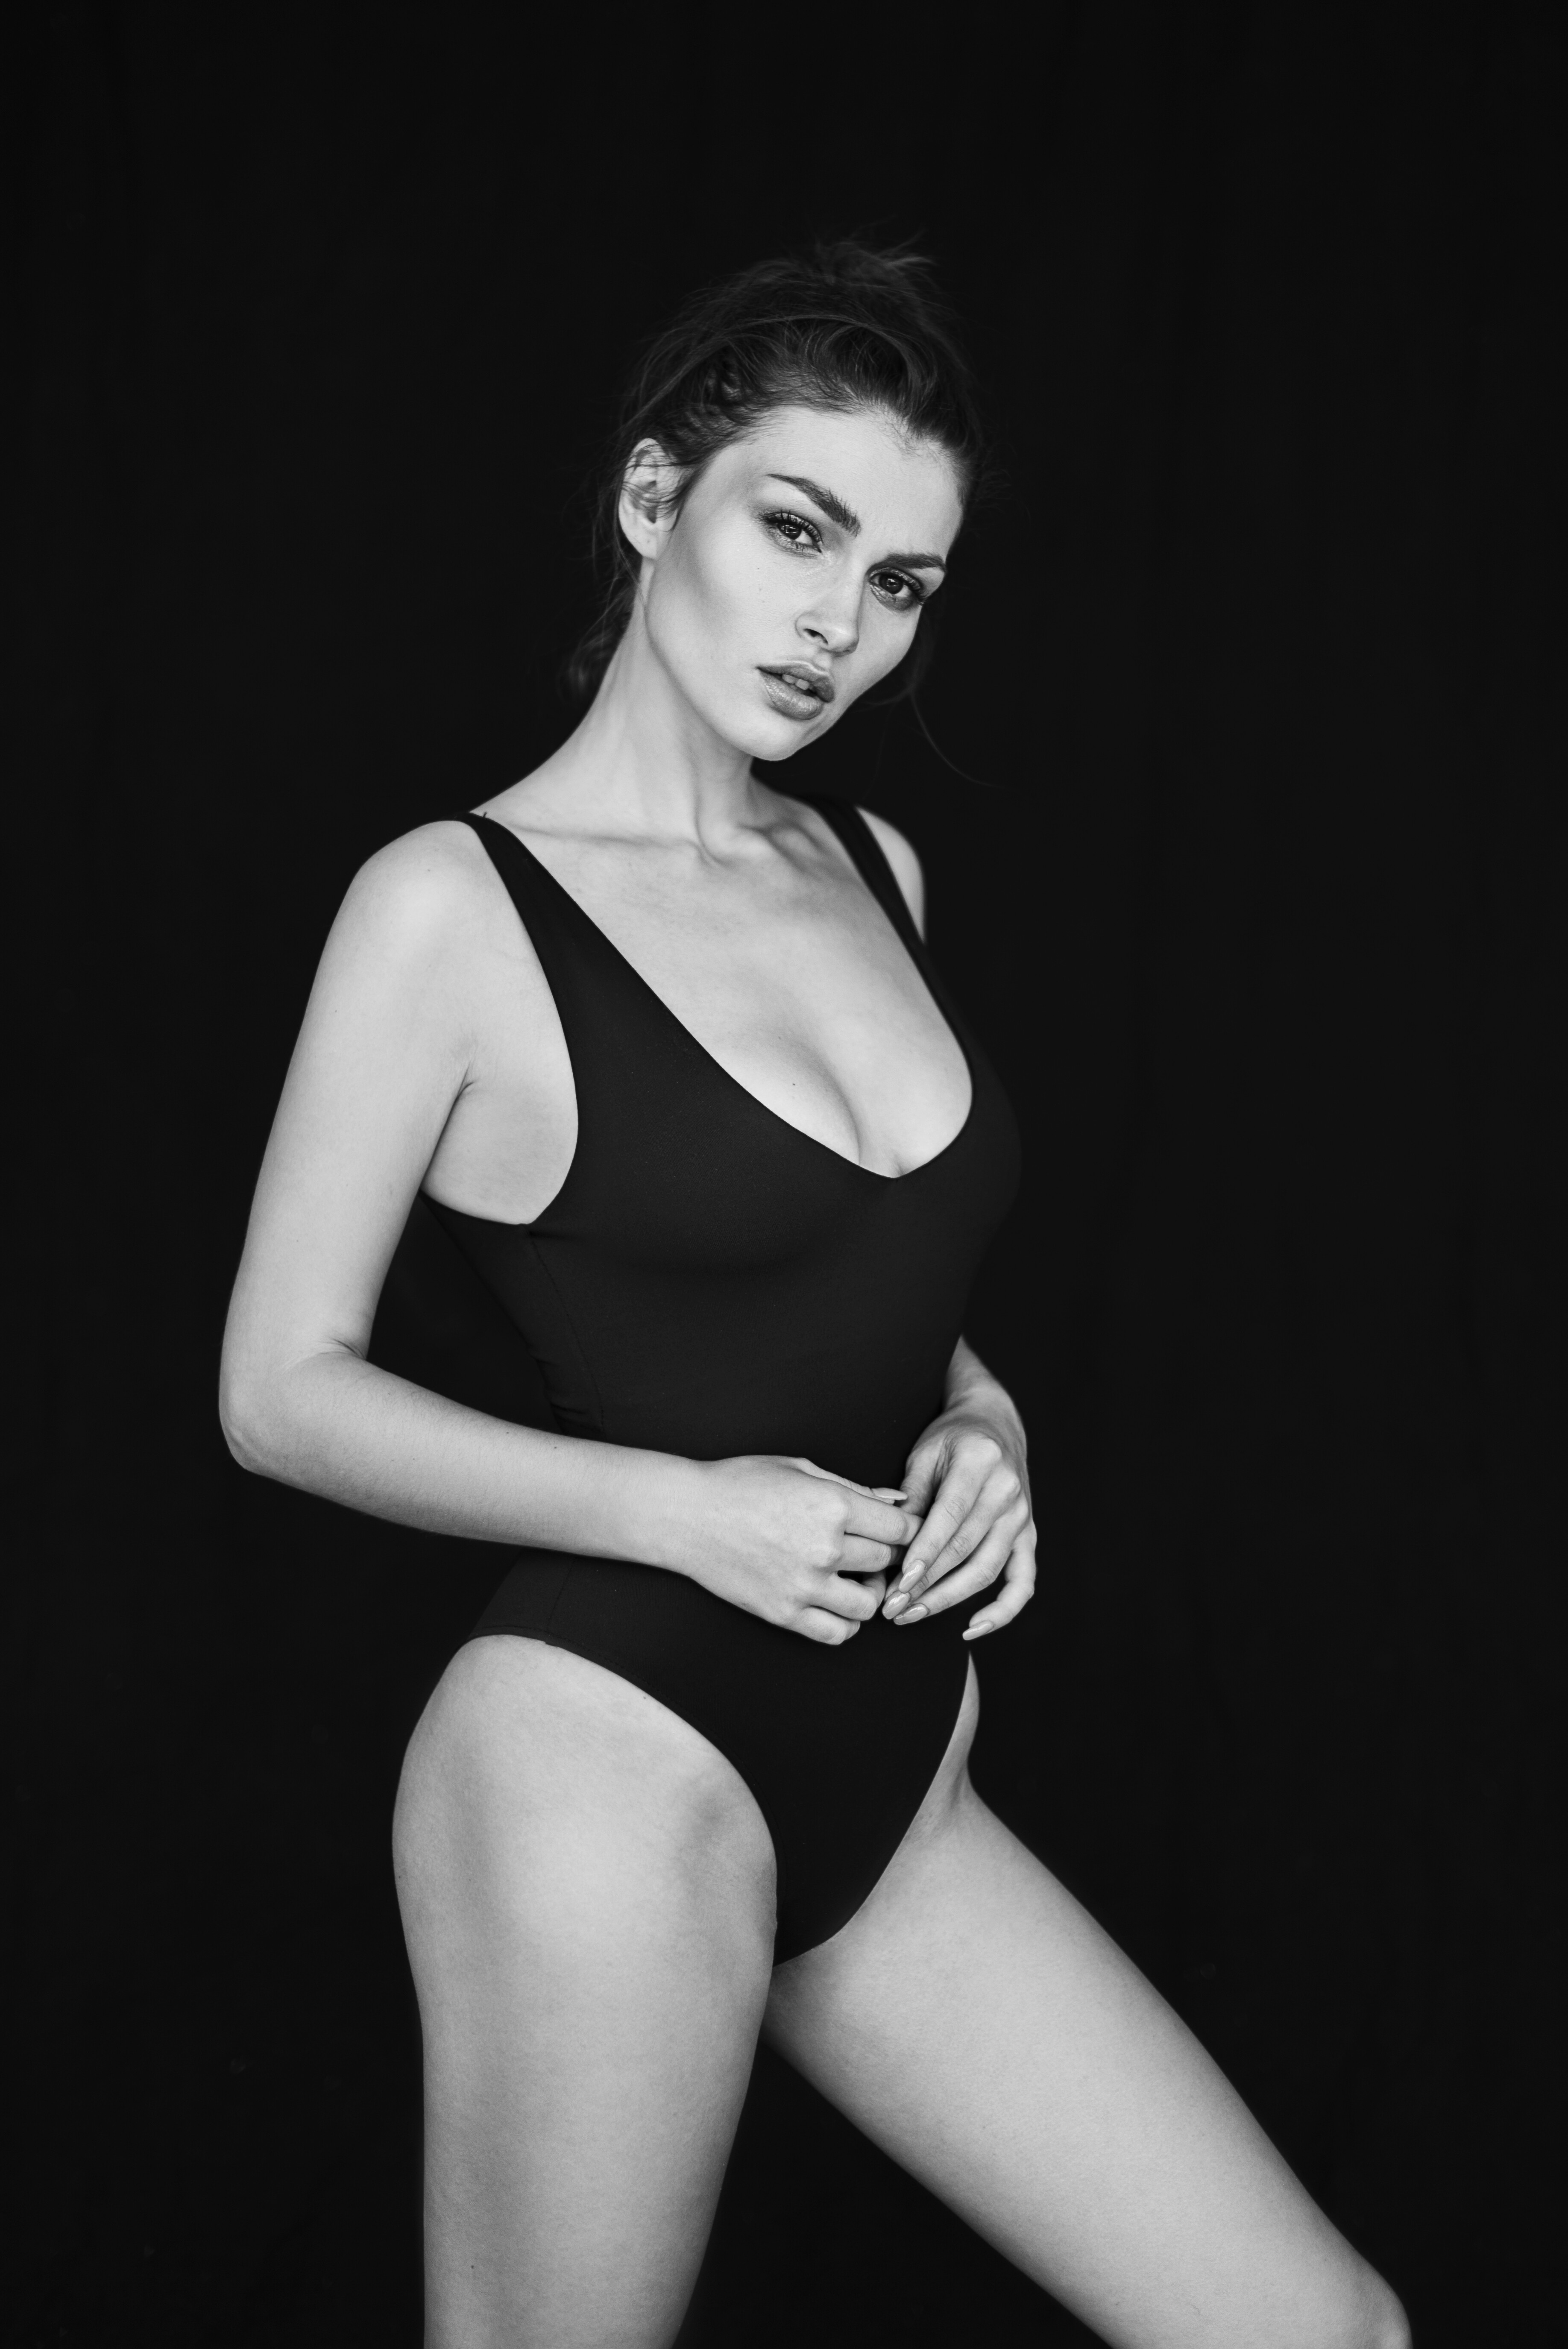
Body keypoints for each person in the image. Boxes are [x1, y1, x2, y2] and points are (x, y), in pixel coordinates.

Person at [220, 242, 1409, 2349]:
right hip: (609, 1755)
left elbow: (871, 1281)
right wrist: (682, 1511)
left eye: (902, 582)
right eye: (797, 530)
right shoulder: (447, 909)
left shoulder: (873, 866)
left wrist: (988, 1418)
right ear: (652, 497)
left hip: (894, 1756)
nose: (839, 622)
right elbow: (280, 1388)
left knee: (1320, 2331)